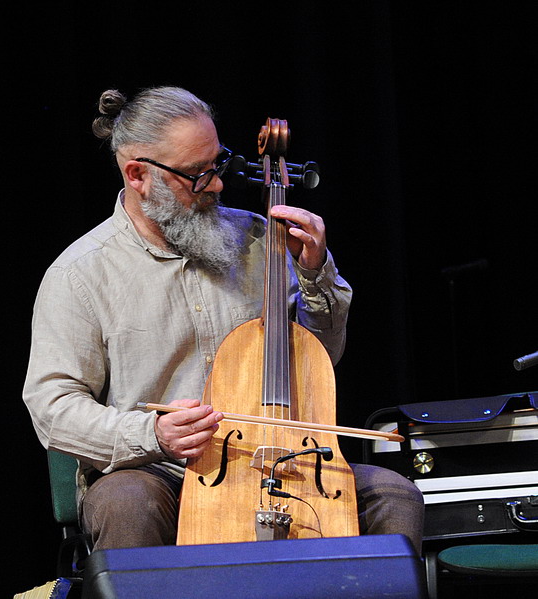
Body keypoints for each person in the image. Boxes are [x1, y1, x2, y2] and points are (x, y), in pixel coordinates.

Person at [23, 86, 423, 553]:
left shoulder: (260, 240)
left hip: (278, 458)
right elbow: (53, 406)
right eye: (197, 174)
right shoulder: (81, 274)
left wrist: (315, 274)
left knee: (394, 496)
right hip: (159, 469)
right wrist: (152, 434)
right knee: (127, 503)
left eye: (218, 164)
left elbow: (320, 360)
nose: (216, 185)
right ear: (138, 174)